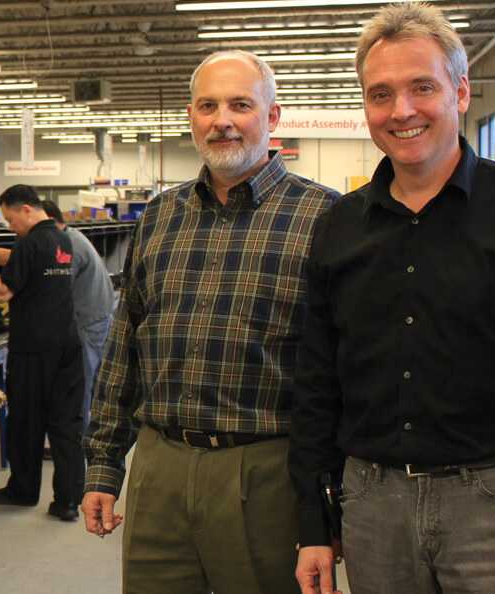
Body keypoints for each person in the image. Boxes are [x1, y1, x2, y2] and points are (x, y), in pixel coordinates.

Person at [289, 5, 495, 594]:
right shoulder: (340, 226)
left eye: (423, 87)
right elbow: (318, 384)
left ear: (461, 91)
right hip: (371, 505)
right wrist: (314, 524)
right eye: (381, 93)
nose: (402, 111)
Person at [81, 50, 338, 593]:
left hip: (267, 473)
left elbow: (343, 369)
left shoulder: (325, 217)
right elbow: (124, 345)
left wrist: (326, 503)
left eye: (240, 104)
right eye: (208, 105)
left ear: (271, 118)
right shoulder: (159, 214)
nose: (222, 119)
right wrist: (104, 465)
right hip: (159, 468)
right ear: (191, 117)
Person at [0, 184, 85, 522]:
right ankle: (69, 501)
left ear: (26, 209)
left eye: (11, 219)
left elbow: (2, 290)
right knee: (66, 426)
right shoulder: (62, 239)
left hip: (33, 349)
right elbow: (20, 260)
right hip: (68, 346)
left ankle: (23, 490)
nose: (10, 227)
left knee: (27, 423)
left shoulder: (31, 243)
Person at [39, 199, 118, 430]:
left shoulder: (67, 244)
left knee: (81, 384)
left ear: (52, 221)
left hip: (87, 322)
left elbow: (56, 286)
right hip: (96, 317)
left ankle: (79, 439)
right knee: (91, 383)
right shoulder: (73, 236)